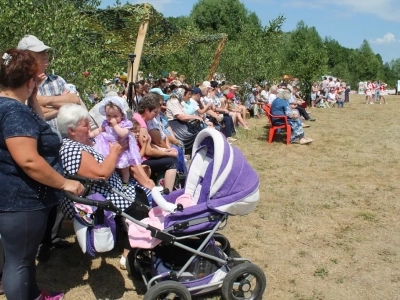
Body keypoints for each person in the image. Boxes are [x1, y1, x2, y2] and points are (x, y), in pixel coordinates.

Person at [0, 49, 84, 300]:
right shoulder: (15, 112)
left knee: (22, 258)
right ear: (29, 81)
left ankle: (34, 294)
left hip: (14, 196)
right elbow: (28, 160)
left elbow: (36, 129)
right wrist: (66, 183)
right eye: (36, 80)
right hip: (22, 200)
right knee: (20, 262)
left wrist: (33, 99)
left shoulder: (12, 107)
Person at [56, 103, 153, 270]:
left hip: (108, 190)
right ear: (71, 130)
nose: (89, 127)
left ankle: (132, 236)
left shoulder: (81, 142)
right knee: (141, 205)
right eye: (84, 124)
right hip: (98, 199)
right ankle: (128, 255)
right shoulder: (72, 149)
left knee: (143, 192)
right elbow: (101, 175)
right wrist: (115, 151)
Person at [17, 34, 83, 259]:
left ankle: (50, 238)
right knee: (37, 192)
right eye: (40, 55)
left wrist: (41, 101)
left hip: (58, 144)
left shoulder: (57, 80)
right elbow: (32, 113)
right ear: (27, 58)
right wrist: (56, 102)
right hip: (32, 146)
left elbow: (74, 100)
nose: (45, 58)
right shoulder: (16, 83)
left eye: (45, 54)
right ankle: (34, 245)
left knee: (56, 192)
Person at [92, 96, 142, 186]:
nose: (112, 118)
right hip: (107, 148)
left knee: (124, 169)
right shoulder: (106, 123)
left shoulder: (124, 124)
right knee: (110, 165)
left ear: (122, 114)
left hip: (122, 150)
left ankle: (125, 183)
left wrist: (115, 125)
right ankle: (111, 181)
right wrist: (91, 134)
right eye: (108, 116)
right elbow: (99, 130)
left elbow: (123, 134)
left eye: (115, 116)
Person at [133, 93, 178, 191]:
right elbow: (148, 151)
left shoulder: (139, 119)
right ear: (146, 110)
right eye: (154, 112)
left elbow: (148, 144)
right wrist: (168, 154)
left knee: (171, 155)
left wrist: (165, 151)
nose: (156, 115)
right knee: (172, 162)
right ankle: (167, 192)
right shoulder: (141, 124)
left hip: (142, 157)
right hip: (141, 160)